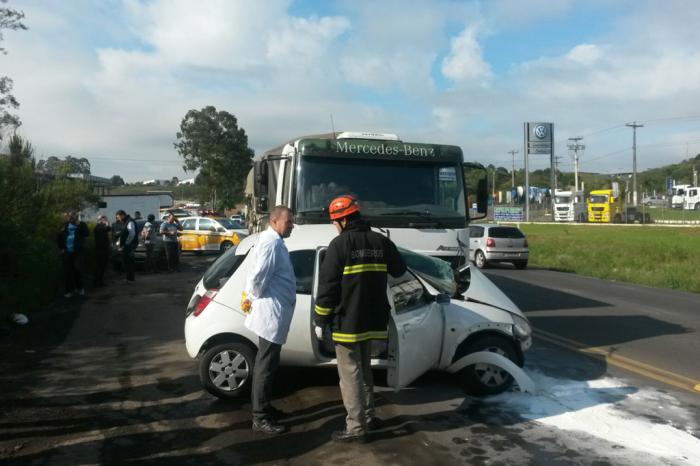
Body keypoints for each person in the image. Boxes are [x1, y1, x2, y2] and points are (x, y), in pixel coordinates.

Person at [314, 195, 407, 443]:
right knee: (364, 370)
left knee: (350, 374)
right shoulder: (380, 241)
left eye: (335, 221)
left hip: (348, 322)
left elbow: (327, 288)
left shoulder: (339, 245)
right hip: (374, 321)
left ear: (344, 220)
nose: (335, 226)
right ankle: (368, 417)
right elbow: (399, 270)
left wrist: (320, 320)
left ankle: (356, 428)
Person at [241, 205, 296, 435]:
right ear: (274, 222)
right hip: (269, 313)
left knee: (269, 364)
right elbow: (258, 277)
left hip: (274, 312)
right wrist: (254, 297)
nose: (292, 225)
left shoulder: (274, 240)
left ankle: (264, 408)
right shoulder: (271, 243)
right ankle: (260, 417)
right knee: (265, 365)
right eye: (288, 222)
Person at [57, 211, 89, 297]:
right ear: (68, 217)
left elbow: (86, 233)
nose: (72, 218)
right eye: (70, 217)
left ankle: (80, 288)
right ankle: (69, 291)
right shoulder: (64, 225)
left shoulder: (81, 224)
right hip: (67, 252)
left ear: (76, 217)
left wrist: (79, 225)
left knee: (77, 270)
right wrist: (61, 248)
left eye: (73, 217)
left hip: (77, 252)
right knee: (67, 272)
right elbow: (59, 236)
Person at [116, 210, 137, 283]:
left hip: (129, 245)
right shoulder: (126, 221)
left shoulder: (129, 221)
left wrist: (126, 243)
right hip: (128, 245)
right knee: (127, 262)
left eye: (118, 217)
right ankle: (129, 278)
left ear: (122, 215)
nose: (118, 219)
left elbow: (132, 234)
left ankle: (130, 279)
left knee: (128, 262)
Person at [93, 214, 112, 286]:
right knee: (100, 266)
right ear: (100, 220)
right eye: (103, 219)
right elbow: (107, 228)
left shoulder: (101, 226)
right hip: (100, 249)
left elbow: (109, 229)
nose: (104, 220)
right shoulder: (98, 227)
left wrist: (107, 223)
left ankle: (100, 281)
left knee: (103, 266)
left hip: (103, 248)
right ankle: (97, 282)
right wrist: (107, 223)